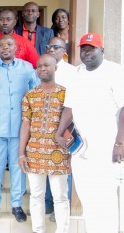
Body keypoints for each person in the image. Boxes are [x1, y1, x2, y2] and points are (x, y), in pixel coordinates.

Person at [55, 33, 124, 233]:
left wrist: (119, 143)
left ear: (102, 51)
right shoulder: (77, 73)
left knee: (105, 197)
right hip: (81, 148)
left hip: (106, 147)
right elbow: (69, 108)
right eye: (83, 48)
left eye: (91, 48)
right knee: (86, 195)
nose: (87, 52)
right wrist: (59, 133)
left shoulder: (115, 72)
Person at [0, 34, 38, 222]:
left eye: (9, 44)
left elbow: (34, 96)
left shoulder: (27, 68)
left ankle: (16, 204)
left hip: (20, 129)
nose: (5, 48)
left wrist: (33, 126)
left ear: (16, 48)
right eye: (2, 45)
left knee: (18, 167)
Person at [19, 54, 71, 233]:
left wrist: (71, 152)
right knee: (36, 196)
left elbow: (73, 123)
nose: (42, 69)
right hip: (34, 152)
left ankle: (63, 230)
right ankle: (38, 229)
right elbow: (25, 124)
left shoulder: (66, 93)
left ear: (55, 67)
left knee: (61, 197)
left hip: (59, 153)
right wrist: (21, 153)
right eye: (39, 66)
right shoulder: (29, 95)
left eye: (47, 65)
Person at [44, 37, 75, 222]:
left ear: (64, 50)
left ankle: (61, 207)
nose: (52, 50)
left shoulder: (72, 72)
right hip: (45, 127)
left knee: (62, 167)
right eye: (49, 47)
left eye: (56, 47)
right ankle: (48, 202)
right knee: (45, 165)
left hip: (65, 127)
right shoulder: (43, 70)